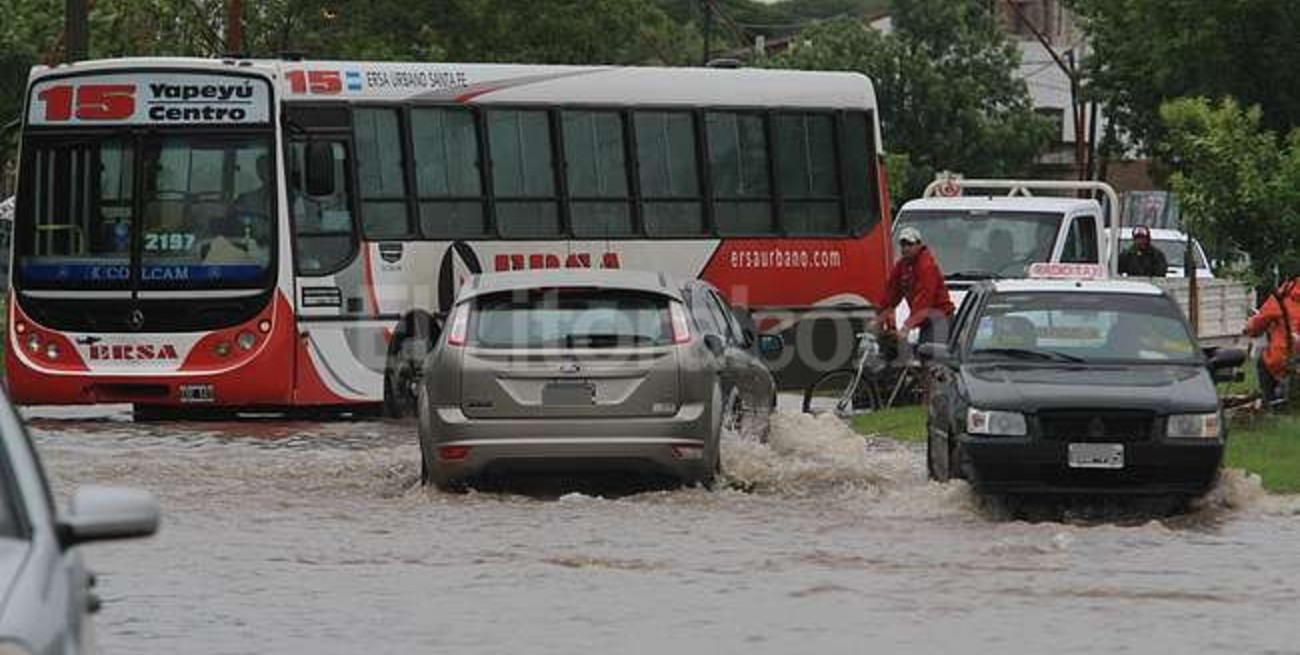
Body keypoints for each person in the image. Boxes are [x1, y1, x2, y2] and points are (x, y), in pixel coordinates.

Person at [878, 226, 956, 346]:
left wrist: (906, 327)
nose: (906, 248)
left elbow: (924, 299)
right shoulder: (902, 265)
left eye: (910, 244)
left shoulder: (926, 266)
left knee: (929, 356)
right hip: (924, 321)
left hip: (940, 319)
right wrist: (880, 316)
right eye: (903, 245)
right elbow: (892, 292)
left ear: (919, 245)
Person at [1243, 276, 1300, 404]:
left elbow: (1257, 325)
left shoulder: (1280, 300)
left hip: (1286, 357)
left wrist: (1249, 328)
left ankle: (1269, 400)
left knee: (1263, 360)